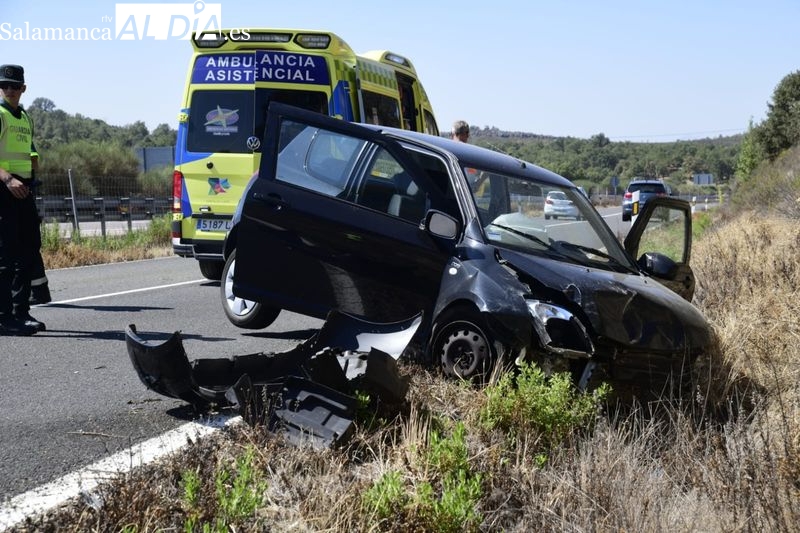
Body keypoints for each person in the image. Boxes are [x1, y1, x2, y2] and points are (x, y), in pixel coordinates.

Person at [0, 64, 45, 335]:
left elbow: (29, 154)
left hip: (24, 189)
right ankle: (5, 317)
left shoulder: (24, 117)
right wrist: (7, 179)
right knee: (7, 255)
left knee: (29, 250)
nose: (9, 90)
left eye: (14, 86)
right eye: (4, 85)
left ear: (23, 89)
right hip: (4, 189)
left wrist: (30, 178)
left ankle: (21, 311)